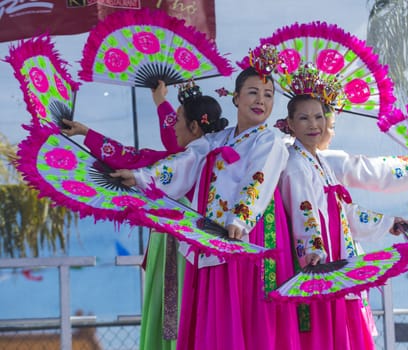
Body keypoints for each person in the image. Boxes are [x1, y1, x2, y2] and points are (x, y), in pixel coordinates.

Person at [113, 67, 301, 350]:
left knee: (247, 313)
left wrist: (240, 218)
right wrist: (141, 177)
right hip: (212, 239)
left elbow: (259, 177)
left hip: (247, 235)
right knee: (215, 314)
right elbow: (184, 162)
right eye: (253, 92)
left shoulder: (269, 138)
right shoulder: (216, 140)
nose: (261, 100)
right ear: (236, 98)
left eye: (268, 95)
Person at [62, 80, 228, 350]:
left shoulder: (193, 156)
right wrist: (160, 101)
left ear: (195, 127)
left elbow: (137, 158)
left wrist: (138, 176)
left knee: (175, 311)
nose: (173, 125)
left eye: (179, 120)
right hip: (199, 246)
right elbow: (145, 151)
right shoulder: (214, 150)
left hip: (179, 245)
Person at [279, 92, 408, 350]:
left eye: (319, 117)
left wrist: (387, 221)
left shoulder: (320, 161)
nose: (313, 125)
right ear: (289, 123)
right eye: (304, 118)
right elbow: (304, 212)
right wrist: (313, 251)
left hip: (336, 255)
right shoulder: (296, 165)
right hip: (320, 261)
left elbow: (343, 211)